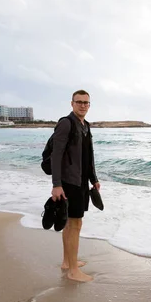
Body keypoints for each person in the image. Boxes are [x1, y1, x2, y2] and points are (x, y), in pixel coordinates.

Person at [51, 90, 100, 282]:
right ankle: (73, 271)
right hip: (69, 182)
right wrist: (56, 184)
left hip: (80, 181)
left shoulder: (85, 125)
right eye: (79, 102)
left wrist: (93, 178)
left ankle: (67, 262)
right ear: (71, 103)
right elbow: (56, 154)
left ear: (89, 105)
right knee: (75, 224)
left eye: (86, 103)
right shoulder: (66, 123)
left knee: (70, 224)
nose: (83, 105)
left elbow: (88, 155)